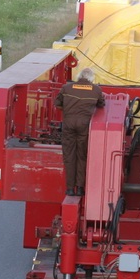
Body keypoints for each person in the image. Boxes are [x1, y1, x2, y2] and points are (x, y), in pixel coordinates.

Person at [55, 68, 104, 196]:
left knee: (69, 156)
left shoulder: (66, 88)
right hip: (84, 125)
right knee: (82, 155)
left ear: (79, 76)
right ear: (91, 78)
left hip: (69, 124)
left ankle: (70, 189)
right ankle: (80, 188)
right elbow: (101, 105)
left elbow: (58, 104)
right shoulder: (96, 90)